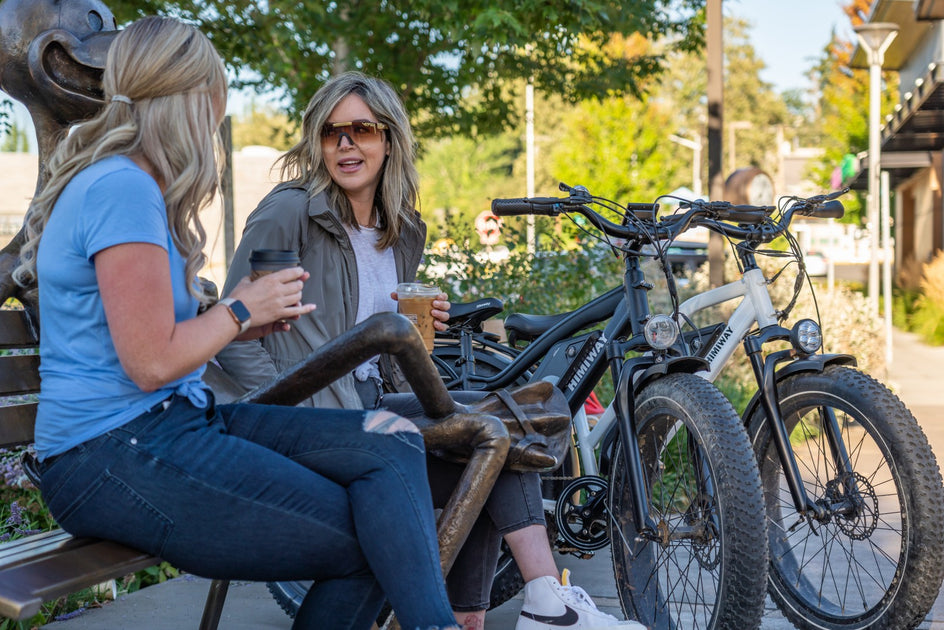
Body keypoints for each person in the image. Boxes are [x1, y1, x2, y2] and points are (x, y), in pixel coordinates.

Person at [12, 17, 461, 630]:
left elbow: (155, 343)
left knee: (391, 439)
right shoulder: (121, 188)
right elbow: (150, 363)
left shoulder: (131, 184)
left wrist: (238, 323)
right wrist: (240, 309)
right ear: (188, 100)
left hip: (169, 424)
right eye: (213, 99)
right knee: (370, 540)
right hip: (111, 452)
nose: (215, 121)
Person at [216, 71, 642, 630]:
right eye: (331, 132)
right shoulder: (290, 212)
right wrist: (277, 411)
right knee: (491, 439)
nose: (346, 145)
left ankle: (503, 611)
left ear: (389, 138)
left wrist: (422, 330)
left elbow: (375, 337)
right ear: (316, 142)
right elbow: (233, 326)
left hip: (371, 403)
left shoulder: (400, 228)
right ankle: (541, 607)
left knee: (507, 427)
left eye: (362, 129)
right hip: (310, 417)